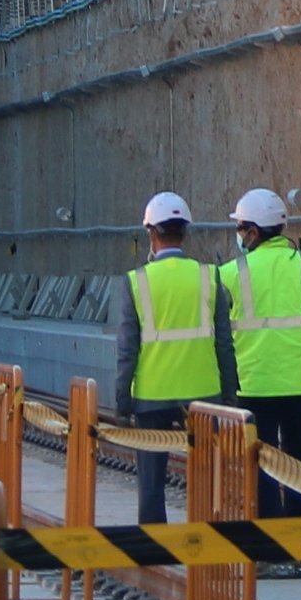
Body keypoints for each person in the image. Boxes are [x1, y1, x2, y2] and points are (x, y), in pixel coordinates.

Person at [112, 192, 229, 524]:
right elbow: (224, 344)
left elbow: (127, 349)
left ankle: (155, 545)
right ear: (185, 232)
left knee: (150, 478)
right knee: (205, 473)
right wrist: (229, 394)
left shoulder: (136, 281)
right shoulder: (209, 277)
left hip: (152, 394)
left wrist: (122, 399)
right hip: (203, 393)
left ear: (151, 232)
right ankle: (203, 538)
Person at [218, 189, 301, 516]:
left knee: (261, 462)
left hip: (254, 384)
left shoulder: (230, 273)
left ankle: (271, 547)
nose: (238, 235)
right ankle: (296, 541)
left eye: (240, 228)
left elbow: (220, 332)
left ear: (253, 232)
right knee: (298, 462)